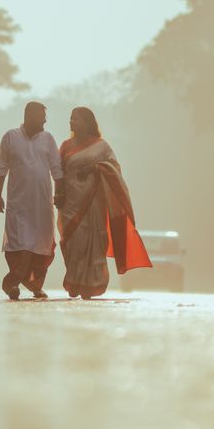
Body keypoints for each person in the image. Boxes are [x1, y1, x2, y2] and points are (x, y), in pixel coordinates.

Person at [57, 107, 152, 299]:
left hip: (93, 202)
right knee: (72, 243)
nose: (71, 122)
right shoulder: (66, 146)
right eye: (70, 119)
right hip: (70, 203)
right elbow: (58, 172)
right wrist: (58, 193)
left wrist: (95, 167)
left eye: (76, 119)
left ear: (87, 122)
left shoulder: (102, 146)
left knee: (94, 241)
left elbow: (114, 168)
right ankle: (74, 281)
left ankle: (90, 285)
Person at [0, 101, 65, 300]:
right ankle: (12, 283)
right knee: (20, 245)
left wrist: (59, 194)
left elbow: (57, 170)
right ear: (28, 115)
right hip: (18, 204)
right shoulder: (10, 137)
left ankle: (33, 285)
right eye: (41, 116)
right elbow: (2, 167)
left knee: (42, 248)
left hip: (42, 205)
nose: (44, 120)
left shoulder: (48, 139)